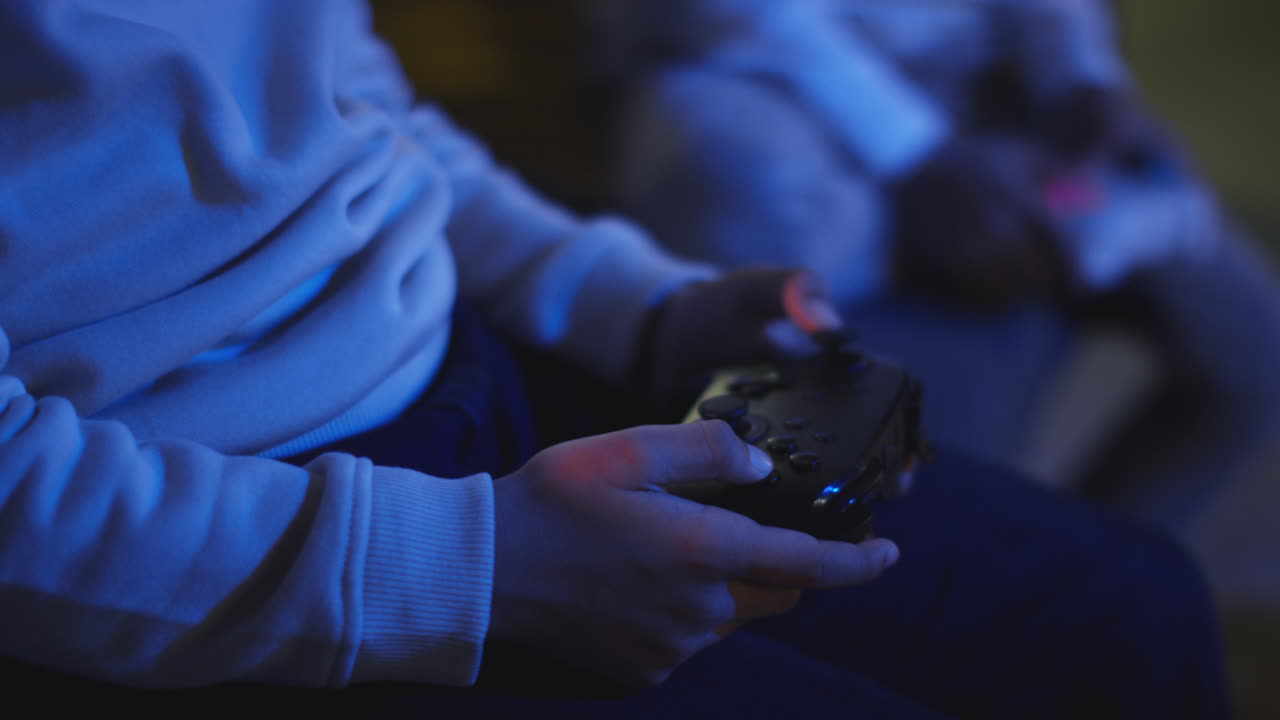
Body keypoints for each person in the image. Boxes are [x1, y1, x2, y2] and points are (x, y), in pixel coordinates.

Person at [0, 1, 1232, 717]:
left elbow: (361, 120)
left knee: (1135, 605)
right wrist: (478, 571)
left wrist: (639, 310)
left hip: (466, 358)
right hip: (225, 507)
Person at [587, 0, 1280, 535]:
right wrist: (917, 153)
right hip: (753, 78)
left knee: (1254, 349)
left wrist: (1082, 77)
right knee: (910, 494)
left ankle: (1080, 598)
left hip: (981, 83)